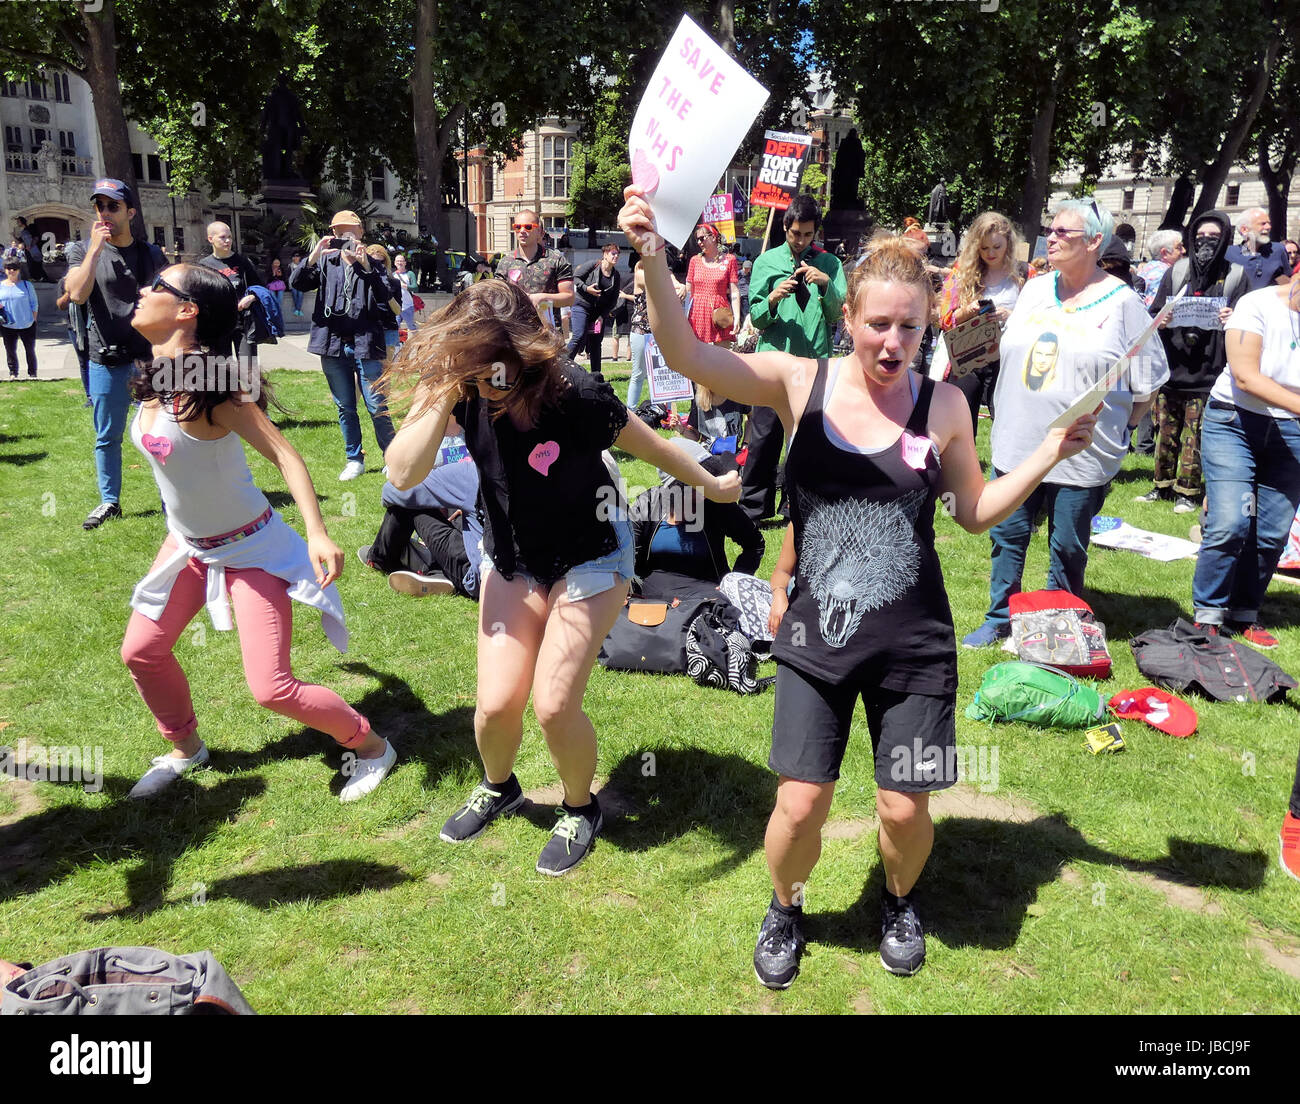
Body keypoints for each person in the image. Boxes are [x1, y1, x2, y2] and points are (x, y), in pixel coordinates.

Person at [619, 184, 1096, 988]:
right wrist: (654, 260)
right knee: (800, 803)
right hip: (815, 638)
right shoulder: (798, 381)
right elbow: (688, 357)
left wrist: (1048, 454)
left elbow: (974, 513)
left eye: (910, 326)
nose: (893, 340)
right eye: (878, 323)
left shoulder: (943, 406)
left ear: (927, 327)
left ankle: (900, 901)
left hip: (912, 643)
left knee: (904, 807)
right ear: (849, 320)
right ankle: (786, 905)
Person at [383, 278, 741, 876]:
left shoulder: (573, 390)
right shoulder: (458, 384)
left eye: (492, 364)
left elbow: (649, 446)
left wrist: (712, 484)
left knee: (552, 704)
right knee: (496, 705)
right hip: (512, 557)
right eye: (472, 363)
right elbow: (400, 470)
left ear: (522, 354)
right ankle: (501, 788)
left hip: (592, 554)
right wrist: (449, 392)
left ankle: (581, 807)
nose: (485, 380)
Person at [119, 262, 395, 802]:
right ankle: (185, 748)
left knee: (271, 689)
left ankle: (371, 746)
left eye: (157, 286)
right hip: (188, 544)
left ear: (186, 310)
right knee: (142, 652)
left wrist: (317, 533)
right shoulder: (159, 372)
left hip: (251, 550)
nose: (143, 290)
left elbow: (287, 456)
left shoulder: (210, 387)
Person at [963, 197, 1169, 648]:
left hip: (1081, 451)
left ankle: (1057, 624)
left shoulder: (1123, 303)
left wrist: (1119, 427)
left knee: (1069, 545)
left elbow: (1147, 383)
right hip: (1018, 441)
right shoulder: (1035, 288)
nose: (1050, 238)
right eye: (1050, 231)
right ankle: (1000, 617)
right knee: (1008, 535)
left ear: (1095, 241)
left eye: (1063, 233)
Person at [1191, 273, 1300, 649]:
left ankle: (1243, 612)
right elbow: (1246, 376)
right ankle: (1207, 615)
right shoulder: (1257, 304)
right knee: (1231, 522)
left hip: (1292, 433)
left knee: (1271, 533)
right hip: (1234, 421)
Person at [64, 178, 167, 530]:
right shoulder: (81, 252)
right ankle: (110, 501)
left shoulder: (151, 254)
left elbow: (169, 300)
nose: (105, 212)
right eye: (100, 206)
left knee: (160, 433)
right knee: (107, 436)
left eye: (113, 206)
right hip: (105, 361)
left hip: (148, 361)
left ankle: (171, 499)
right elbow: (77, 294)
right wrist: (94, 250)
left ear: (130, 212)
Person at [741, 194, 847, 525]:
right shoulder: (766, 263)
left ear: (816, 232)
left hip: (814, 362)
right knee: (763, 436)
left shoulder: (830, 265)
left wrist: (826, 285)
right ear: (785, 227)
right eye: (795, 233)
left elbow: (836, 313)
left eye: (807, 235)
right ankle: (753, 508)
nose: (800, 241)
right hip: (773, 364)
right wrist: (771, 299)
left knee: (805, 438)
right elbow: (756, 317)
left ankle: (796, 504)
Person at [1135, 211, 1246, 514]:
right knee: (1166, 431)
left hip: (1209, 369)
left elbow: (1247, 320)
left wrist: (1233, 318)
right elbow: (1154, 313)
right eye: (1200, 237)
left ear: (1224, 240)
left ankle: (1188, 490)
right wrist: (1163, 317)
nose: (1206, 243)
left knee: (1194, 434)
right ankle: (1161, 485)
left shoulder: (1236, 275)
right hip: (1173, 365)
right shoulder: (1178, 271)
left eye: (1213, 238)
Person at [289, 210, 397, 481]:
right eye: (339, 233)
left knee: (376, 404)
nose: (344, 237)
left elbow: (386, 296)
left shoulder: (373, 262)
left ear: (361, 233)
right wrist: (313, 256)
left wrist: (367, 266)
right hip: (332, 344)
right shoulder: (327, 263)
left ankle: (392, 457)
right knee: (345, 406)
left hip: (366, 343)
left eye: (350, 232)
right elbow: (298, 283)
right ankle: (354, 459)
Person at [630, 444, 763, 593]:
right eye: (697, 485)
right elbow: (625, 555)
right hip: (650, 602)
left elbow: (754, 544)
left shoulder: (716, 503)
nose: (705, 491)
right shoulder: (647, 504)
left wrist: (733, 585)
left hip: (706, 598)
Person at [936, 211, 1024, 437]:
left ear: (1008, 243)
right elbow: (944, 319)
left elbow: (1037, 318)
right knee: (962, 416)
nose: (991, 253)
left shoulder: (1023, 275)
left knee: (1008, 418)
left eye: (996, 246)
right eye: (984, 248)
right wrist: (968, 310)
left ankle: (1005, 465)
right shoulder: (961, 273)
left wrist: (1011, 314)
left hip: (1007, 356)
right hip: (969, 353)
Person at [358, 447, 483, 600]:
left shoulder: (471, 472)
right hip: (516, 579)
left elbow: (394, 491)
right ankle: (436, 572)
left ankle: (380, 558)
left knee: (408, 503)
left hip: (481, 578)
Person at [494, 208, 575, 327]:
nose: (522, 231)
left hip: (547, 333)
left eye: (528, 227)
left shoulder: (556, 260)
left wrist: (543, 298)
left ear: (539, 232)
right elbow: (497, 297)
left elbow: (569, 298)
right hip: (516, 331)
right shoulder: (505, 262)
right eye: (517, 227)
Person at [198, 222, 260, 363]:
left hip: (242, 324)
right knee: (221, 374)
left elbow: (259, 288)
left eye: (230, 237)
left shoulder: (243, 262)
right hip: (217, 327)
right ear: (210, 239)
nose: (227, 241)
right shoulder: (203, 265)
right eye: (222, 237)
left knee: (248, 371)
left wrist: (251, 297)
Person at [568, 242, 623, 378]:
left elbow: (613, 300)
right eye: (613, 253)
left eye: (617, 254)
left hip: (598, 312)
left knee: (596, 343)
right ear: (605, 254)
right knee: (579, 335)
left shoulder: (616, 275)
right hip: (581, 305)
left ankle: (596, 376)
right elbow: (575, 277)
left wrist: (602, 316)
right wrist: (587, 288)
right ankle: (562, 365)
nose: (616, 256)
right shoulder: (594, 265)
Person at [686, 223, 740, 346]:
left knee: (722, 357)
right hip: (697, 314)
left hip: (720, 313)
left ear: (713, 237)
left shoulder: (729, 260)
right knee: (697, 357)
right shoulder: (695, 261)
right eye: (697, 240)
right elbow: (689, 291)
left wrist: (736, 316)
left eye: (702, 238)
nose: (699, 242)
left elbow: (735, 291)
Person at [1226, 208, 1290, 292]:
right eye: (1263, 224)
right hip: (1237, 304)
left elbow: (1287, 278)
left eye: (1269, 223)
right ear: (1244, 230)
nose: (1268, 227)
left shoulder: (1278, 250)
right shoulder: (1229, 253)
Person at [0, 258, 38, 379]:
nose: (11, 271)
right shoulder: (1, 286)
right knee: (10, 350)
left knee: (30, 350)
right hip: (7, 324)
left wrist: (33, 319)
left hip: (27, 323)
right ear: (5, 270)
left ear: (19, 270)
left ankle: (32, 373)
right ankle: (13, 373)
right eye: (9, 268)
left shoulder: (27, 285)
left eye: (14, 268)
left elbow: (34, 304)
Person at [1136, 229, 1184, 310]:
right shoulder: (1163, 274)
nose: (1184, 250)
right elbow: (1154, 310)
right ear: (1165, 253)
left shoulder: (1147, 268)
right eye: (1179, 247)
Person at [13, 216, 46, 282]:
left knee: (37, 263)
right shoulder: (23, 231)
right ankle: (34, 278)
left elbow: (36, 238)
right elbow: (21, 241)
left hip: (34, 249)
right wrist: (14, 236)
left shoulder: (30, 229)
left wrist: (30, 246)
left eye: (18, 222)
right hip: (28, 250)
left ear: (22, 222)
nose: (17, 223)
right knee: (30, 264)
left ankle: (41, 277)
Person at [393, 253, 419, 332]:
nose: (399, 263)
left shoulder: (410, 274)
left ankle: (417, 342)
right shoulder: (392, 275)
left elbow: (415, 288)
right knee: (394, 327)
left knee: (411, 326)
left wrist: (405, 286)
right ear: (394, 263)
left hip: (407, 306)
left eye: (401, 261)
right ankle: (396, 344)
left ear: (405, 263)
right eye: (398, 261)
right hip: (396, 306)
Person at [288, 251, 306, 316]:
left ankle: (297, 310)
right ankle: (298, 310)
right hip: (293, 284)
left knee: (300, 295)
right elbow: (288, 276)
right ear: (292, 258)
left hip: (300, 284)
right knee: (295, 294)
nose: (296, 257)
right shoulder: (290, 265)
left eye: (297, 256)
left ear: (299, 257)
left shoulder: (302, 265)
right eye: (294, 256)